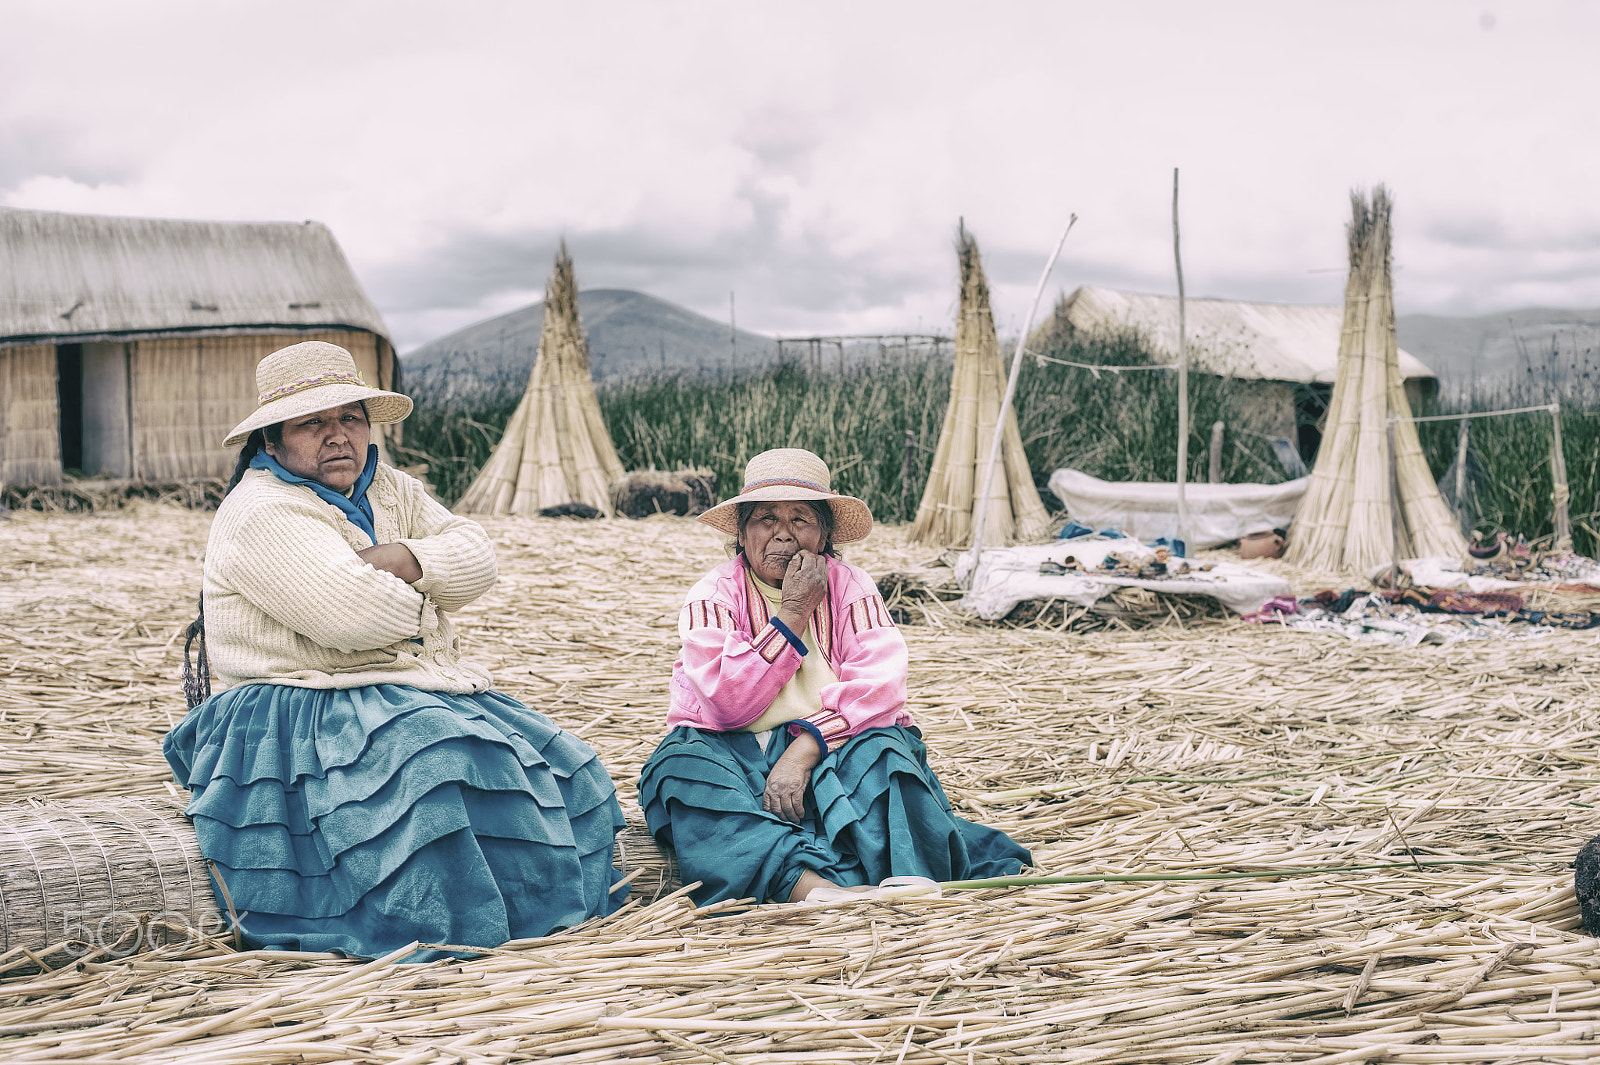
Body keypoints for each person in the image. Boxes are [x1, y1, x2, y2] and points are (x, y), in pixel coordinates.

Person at [164, 341, 627, 960]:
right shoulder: (260, 512)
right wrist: (433, 590)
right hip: (295, 705)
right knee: (435, 762)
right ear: (271, 440)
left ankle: (528, 921)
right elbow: (355, 614)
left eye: (350, 418)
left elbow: (479, 558)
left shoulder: (387, 486)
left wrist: (404, 559)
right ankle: (450, 932)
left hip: (404, 685)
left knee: (565, 765)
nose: (338, 437)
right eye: (313, 423)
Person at [638, 448, 1031, 905]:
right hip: (727, 745)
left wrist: (804, 751)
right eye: (766, 519)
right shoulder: (712, 595)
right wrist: (794, 611)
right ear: (742, 533)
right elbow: (726, 702)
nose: (783, 535)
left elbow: (881, 683)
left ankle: (909, 882)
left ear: (823, 534)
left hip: (833, 744)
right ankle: (816, 891)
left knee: (886, 755)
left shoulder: (852, 586)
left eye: (800, 520)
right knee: (684, 775)